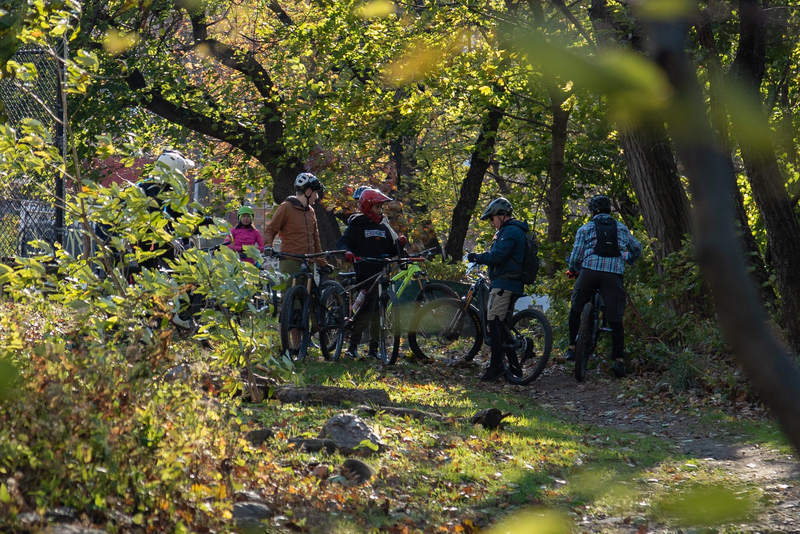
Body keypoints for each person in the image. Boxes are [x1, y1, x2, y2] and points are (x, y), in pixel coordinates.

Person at [565, 194, 642, 378]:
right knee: (616, 318)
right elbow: (637, 249)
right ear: (609, 211)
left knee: (576, 307)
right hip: (613, 275)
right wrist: (627, 260)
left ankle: (572, 347)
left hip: (589, 272)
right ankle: (618, 361)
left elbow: (575, 257)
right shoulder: (622, 229)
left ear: (592, 212)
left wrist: (575, 269)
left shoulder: (585, 229)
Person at [336, 188, 405, 360]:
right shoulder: (357, 225)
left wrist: (400, 246)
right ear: (367, 207)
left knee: (379, 312)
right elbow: (343, 242)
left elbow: (391, 250)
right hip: (366, 274)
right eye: (377, 207)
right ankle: (352, 346)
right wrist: (347, 252)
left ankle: (374, 348)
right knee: (367, 311)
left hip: (382, 274)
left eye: (381, 207)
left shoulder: (383, 227)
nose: (380, 211)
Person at [466, 197, 529, 382]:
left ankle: (495, 367)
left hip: (506, 284)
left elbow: (499, 255)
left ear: (501, 215)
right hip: (507, 283)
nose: (492, 223)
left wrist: (478, 256)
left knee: (493, 323)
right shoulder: (512, 231)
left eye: (492, 218)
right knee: (501, 325)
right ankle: (514, 368)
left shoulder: (510, 231)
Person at [262, 172, 333, 276]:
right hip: (290, 261)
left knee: (310, 292)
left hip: (309, 262)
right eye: (316, 193)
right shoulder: (286, 208)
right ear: (308, 192)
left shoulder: (310, 211)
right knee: (290, 291)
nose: (317, 197)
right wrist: (268, 246)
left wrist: (322, 263)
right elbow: (271, 230)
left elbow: (315, 240)